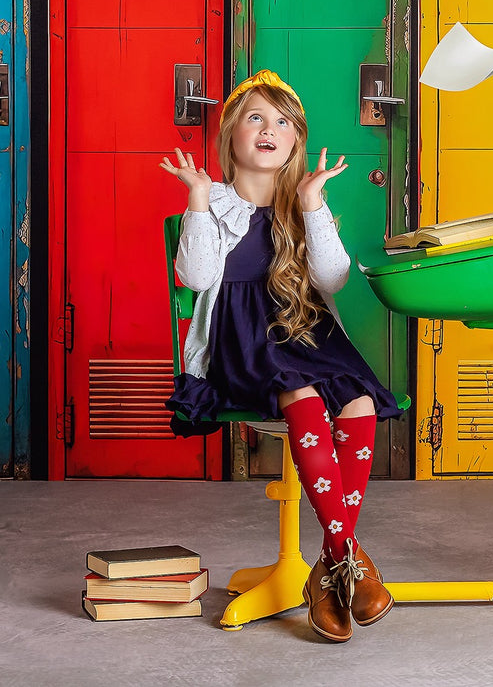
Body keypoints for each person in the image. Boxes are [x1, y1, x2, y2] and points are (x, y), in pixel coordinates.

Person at [160, 68, 403, 643]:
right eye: (255, 118)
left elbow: (334, 279)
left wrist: (314, 203)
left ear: (296, 141)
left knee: (361, 402)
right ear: (231, 138)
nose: (269, 130)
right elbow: (194, 276)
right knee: (300, 392)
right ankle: (349, 562)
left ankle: (331, 564)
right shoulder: (215, 201)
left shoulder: (303, 204)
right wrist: (196, 200)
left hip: (307, 331)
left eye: (283, 122)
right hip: (241, 339)